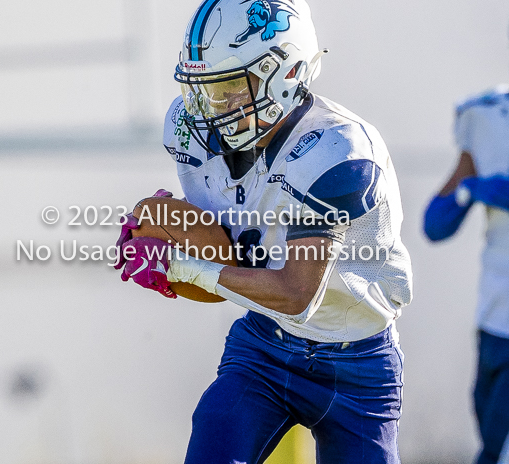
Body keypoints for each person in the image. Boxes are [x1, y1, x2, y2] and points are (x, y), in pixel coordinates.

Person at [115, 0, 413, 462]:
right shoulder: (190, 129)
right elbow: (229, 258)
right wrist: (161, 226)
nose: (213, 107)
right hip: (265, 344)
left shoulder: (337, 151)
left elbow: (296, 293)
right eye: (206, 89)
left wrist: (182, 265)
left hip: (358, 363)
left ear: (286, 73)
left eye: (232, 86)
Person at [423, 80, 509, 464]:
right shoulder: (487, 112)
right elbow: (435, 224)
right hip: (495, 320)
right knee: (491, 448)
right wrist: (470, 190)